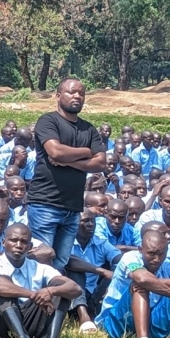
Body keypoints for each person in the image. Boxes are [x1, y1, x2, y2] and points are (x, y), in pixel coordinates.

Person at [26, 79, 106, 318]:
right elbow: (55, 151)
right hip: (45, 203)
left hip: (72, 207)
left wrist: (71, 158)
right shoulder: (48, 121)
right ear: (58, 95)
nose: (77, 96)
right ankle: (32, 314)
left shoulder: (88, 129)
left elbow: (101, 162)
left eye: (82, 93)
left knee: (59, 263)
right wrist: (85, 153)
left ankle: (48, 317)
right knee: (43, 260)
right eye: (72, 92)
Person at [0, 223, 82, 338]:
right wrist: (32, 295)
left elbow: (75, 288)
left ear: (30, 247)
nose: (19, 245)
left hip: (27, 322)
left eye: (24, 242)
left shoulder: (39, 268)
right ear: (3, 242)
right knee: (2, 285)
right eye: (13, 240)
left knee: (60, 291)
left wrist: (51, 291)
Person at [95, 230, 170, 338]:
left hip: (150, 318)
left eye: (161, 254)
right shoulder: (130, 257)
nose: (157, 259)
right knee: (139, 285)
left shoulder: (168, 265)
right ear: (140, 249)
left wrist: (160, 283)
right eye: (151, 253)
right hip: (116, 320)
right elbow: (142, 278)